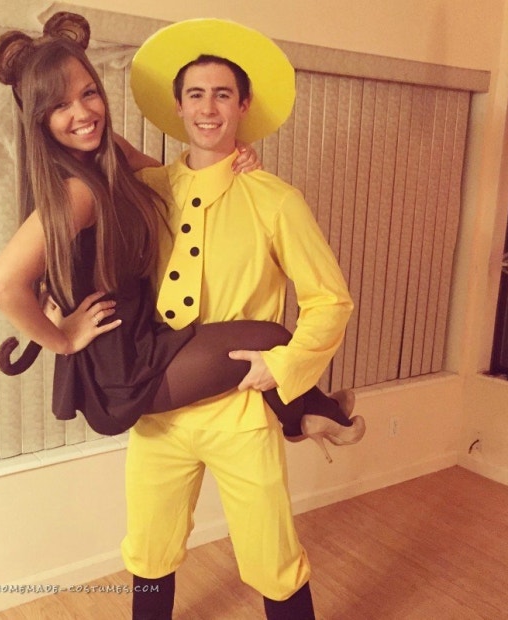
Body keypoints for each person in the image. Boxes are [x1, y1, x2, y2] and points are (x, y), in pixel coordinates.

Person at [0, 13, 364, 453]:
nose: (83, 113)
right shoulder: (77, 192)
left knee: (267, 341)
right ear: (39, 119)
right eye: (60, 106)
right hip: (123, 369)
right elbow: (0, 287)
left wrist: (233, 155)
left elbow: (171, 180)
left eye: (88, 93)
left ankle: (308, 415)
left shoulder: (108, 153)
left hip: (146, 337)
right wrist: (64, 340)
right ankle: (313, 413)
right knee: (271, 338)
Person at [122, 18, 356, 619]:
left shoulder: (276, 199)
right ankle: (323, 415)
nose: (208, 108)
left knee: (273, 556)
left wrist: (285, 365)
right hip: (158, 411)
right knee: (148, 551)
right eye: (196, 94)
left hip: (242, 411)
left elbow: (330, 299)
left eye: (222, 94)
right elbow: (91, 154)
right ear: (177, 105)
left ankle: (312, 409)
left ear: (243, 106)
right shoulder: (148, 190)